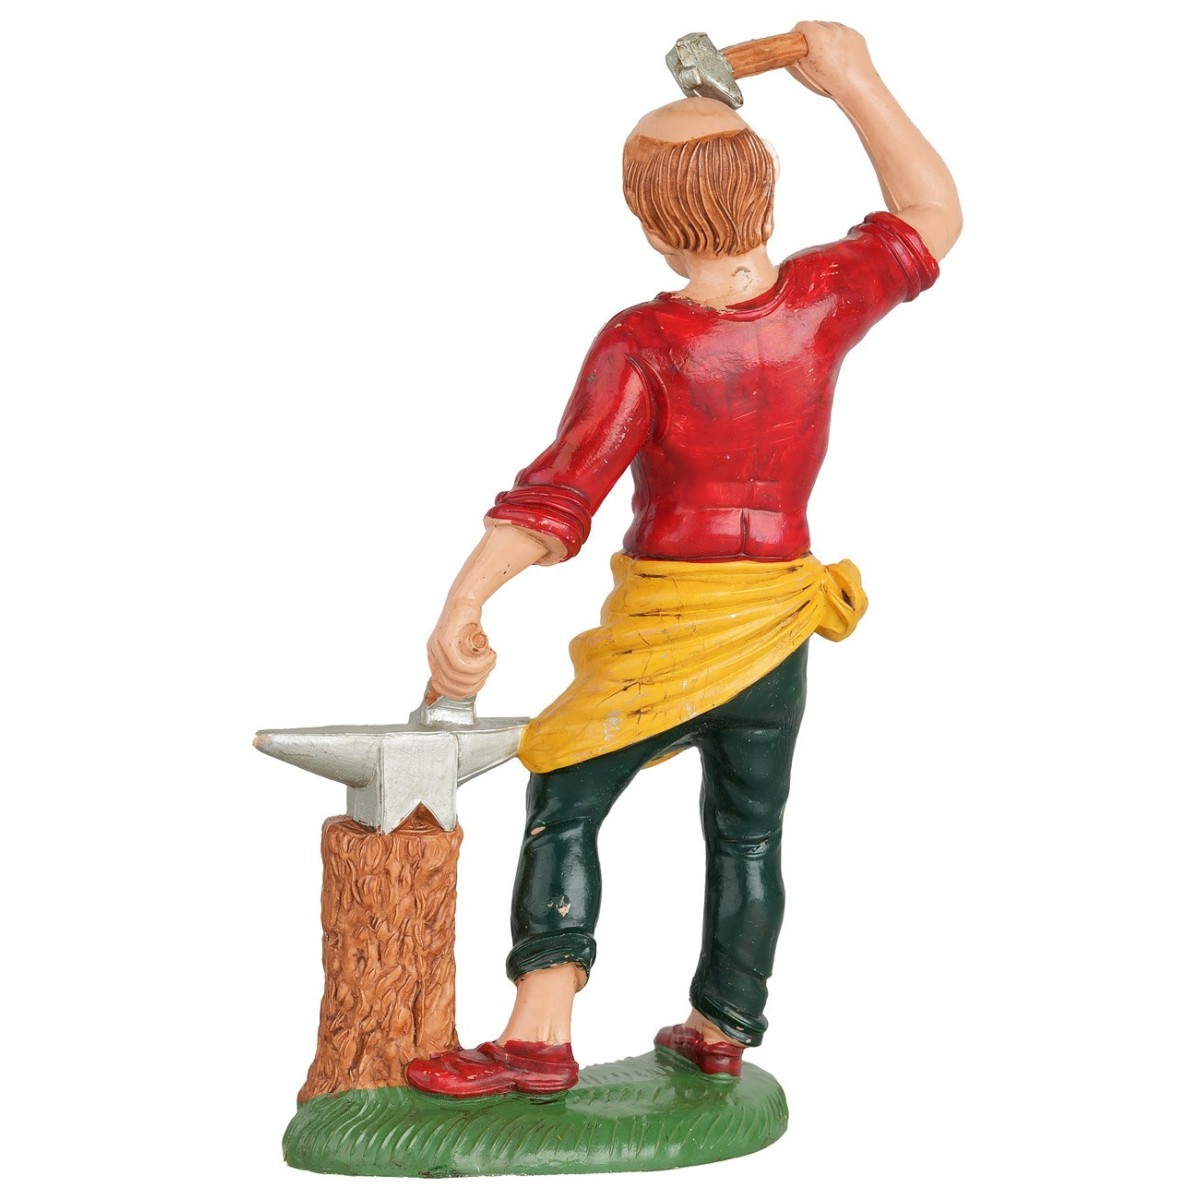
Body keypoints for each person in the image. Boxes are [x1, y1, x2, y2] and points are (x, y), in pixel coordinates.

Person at [406, 22, 961, 1098]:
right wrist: (854, 80)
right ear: (765, 191)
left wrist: (466, 600)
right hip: (779, 624)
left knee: (566, 790)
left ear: (654, 226)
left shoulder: (645, 342)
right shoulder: (821, 299)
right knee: (748, 832)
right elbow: (933, 212)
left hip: (671, 622)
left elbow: (559, 494)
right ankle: (724, 1023)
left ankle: (538, 1033)